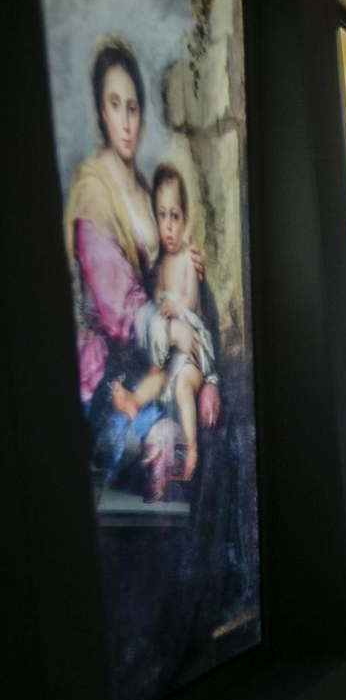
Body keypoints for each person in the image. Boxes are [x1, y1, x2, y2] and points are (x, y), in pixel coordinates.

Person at [66, 39, 208, 498]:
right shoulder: (93, 190)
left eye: (133, 107)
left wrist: (182, 264)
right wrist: (169, 333)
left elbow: (156, 279)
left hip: (145, 359)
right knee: (157, 442)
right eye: (115, 106)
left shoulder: (144, 186)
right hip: (103, 368)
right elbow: (118, 307)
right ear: (100, 112)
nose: (126, 122)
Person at [147, 164, 220, 481]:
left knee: (181, 388)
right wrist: (160, 308)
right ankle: (169, 467)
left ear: (184, 217)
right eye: (162, 216)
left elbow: (190, 301)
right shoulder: (161, 263)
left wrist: (176, 306)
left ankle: (192, 449)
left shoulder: (188, 256)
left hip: (194, 353)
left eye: (174, 217)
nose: (168, 227)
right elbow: (154, 305)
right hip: (173, 352)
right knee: (163, 396)